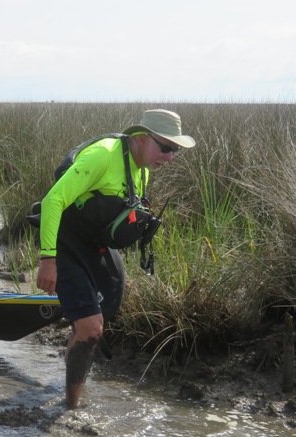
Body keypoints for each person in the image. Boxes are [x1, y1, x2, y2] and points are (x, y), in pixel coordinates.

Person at [36, 109, 195, 409]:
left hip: (95, 245)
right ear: (139, 138)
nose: (170, 157)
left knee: (104, 311)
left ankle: (75, 353)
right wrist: (48, 259)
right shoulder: (103, 156)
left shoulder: (143, 170)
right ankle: (71, 409)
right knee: (91, 329)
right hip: (65, 242)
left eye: (175, 151)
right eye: (165, 147)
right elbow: (52, 201)